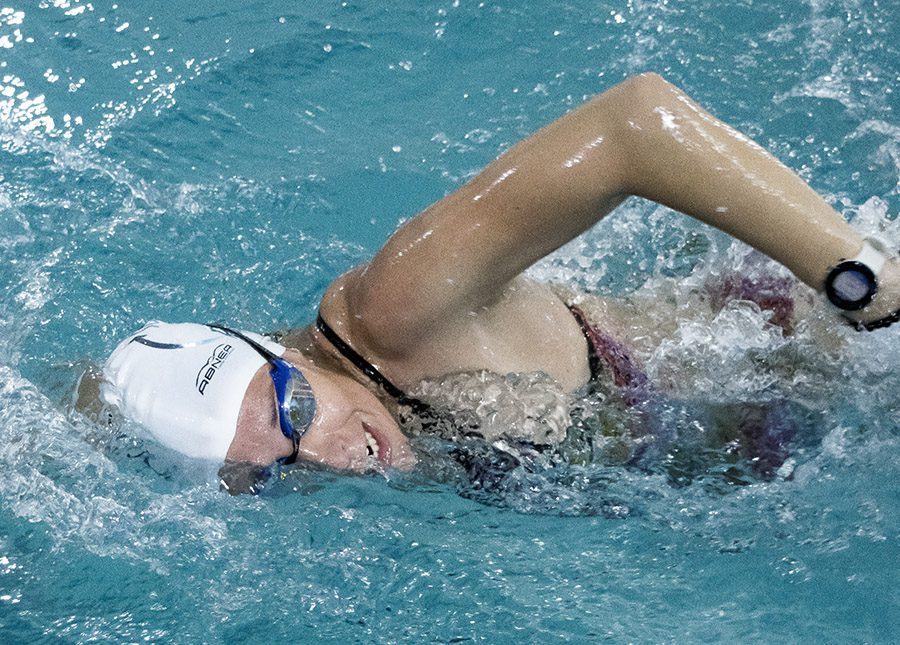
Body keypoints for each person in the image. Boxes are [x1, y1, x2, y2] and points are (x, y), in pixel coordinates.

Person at [87, 73, 900, 492]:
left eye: (293, 411)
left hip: (810, 356)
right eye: (273, 472)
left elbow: (636, 124)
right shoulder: (311, 420)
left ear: (277, 352)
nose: (333, 459)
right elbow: (81, 399)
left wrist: (861, 281)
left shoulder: (396, 307)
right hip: (753, 470)